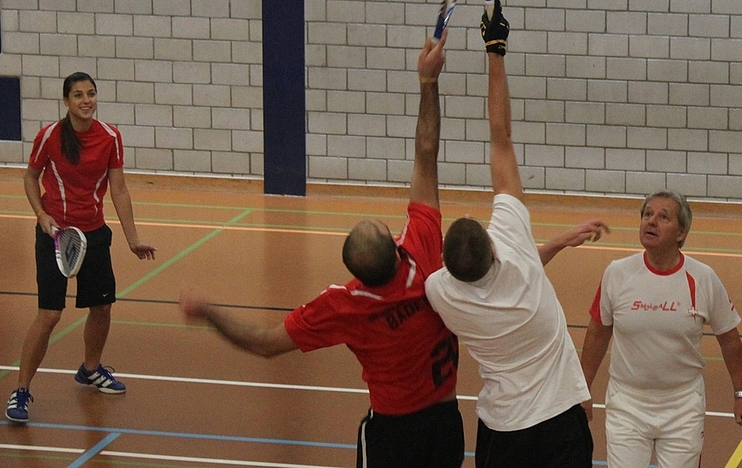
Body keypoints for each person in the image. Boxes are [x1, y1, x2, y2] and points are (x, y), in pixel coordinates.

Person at [181, 30, 467, 468]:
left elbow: (264, 344)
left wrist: (209, 312)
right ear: (397, 246)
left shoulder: (343, 305)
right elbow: (426, 153)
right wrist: (428, 84)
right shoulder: (425, 254)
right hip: (447, 424)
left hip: (393, 433)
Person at [424, 0, 603, 468]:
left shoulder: (440, 291)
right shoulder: (516, 249)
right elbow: (500, 137)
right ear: (496, 249)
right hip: (560, 423)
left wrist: (560, 243)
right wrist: (495, 49)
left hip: (502, 433)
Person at [5, 72, 157, 423]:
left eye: (91, 93)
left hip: (94, 235)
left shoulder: (110, 137)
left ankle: (90, 369)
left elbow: (118, 189)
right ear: (66, 102)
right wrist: (41, 214)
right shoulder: (50, 137)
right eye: (78, 95)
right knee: (50, 315)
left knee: (102, 308)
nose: (86, 100)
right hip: (55, 234)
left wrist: (132, 237)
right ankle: (22, 390)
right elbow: (29, 177)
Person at [580, 190, 742, 468]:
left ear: (681, 233)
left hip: (683, 406)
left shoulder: (703, 278)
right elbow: (598, 333)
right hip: (627, 403)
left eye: (663, 217)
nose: (651, 221)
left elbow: (730, 340)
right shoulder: (618, 273)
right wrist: (582, 390)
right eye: (647, 215)